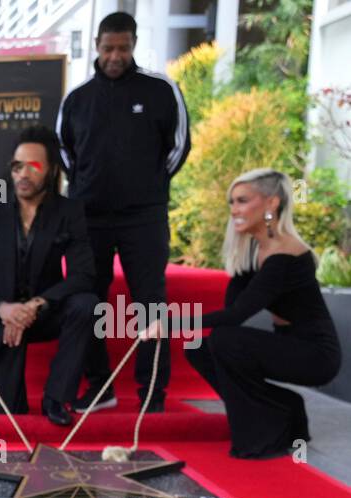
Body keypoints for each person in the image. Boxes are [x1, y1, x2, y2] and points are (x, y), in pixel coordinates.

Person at [146, 170, 341, 459]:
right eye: (231, 202)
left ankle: (261, 435)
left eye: (242, 201)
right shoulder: (255, 249)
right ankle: (283, 408)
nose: (234, 209)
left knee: (226, 340)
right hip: (290, 343)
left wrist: (170, 324)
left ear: (272, 203)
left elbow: (237, 315)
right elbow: (230, 309)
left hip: (316, 354)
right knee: (200, 347)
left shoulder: (284, 253)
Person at [57, 11, 191, 414]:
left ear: (133, 45)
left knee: (150, 303)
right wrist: (89, 191)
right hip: (90, 219)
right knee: (88, 300)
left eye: (123, 48)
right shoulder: (77, 99)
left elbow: (178, 147)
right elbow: (65, 154)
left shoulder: (161, 89)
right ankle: (100, 387)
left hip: (144, 217)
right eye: (108, 48)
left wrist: (146, 187)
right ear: (97, 46)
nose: (115, 56)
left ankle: (152, 393)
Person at [0, 127, 98, 426]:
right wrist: (3, 308)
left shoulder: (69, 211)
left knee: (86, 303)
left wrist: (37, 304)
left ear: (50, 170)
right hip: (2, 317)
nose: (23, 174)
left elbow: (84, 275)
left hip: (45, 313)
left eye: (33, 166)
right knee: (7, 419)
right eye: (17, 166)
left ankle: (56, 397)